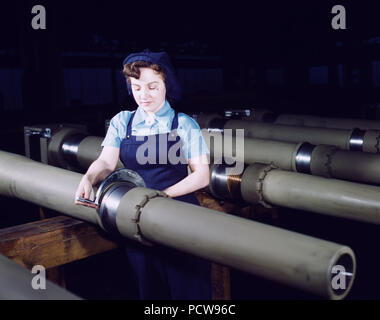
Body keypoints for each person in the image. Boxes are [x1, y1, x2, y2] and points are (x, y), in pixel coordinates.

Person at [74, 49, 211, 299]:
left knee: (189, 290)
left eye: (152, 86)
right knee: (149, 290)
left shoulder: (183, 124)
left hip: (180, 214)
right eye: (136, 87)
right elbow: (106, 160)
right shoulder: (122, 122)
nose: (143, 95)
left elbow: (201, 175)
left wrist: (161, 196)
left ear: (166, 84)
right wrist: (89, 177)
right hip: (135, 218)